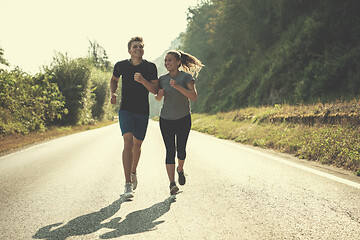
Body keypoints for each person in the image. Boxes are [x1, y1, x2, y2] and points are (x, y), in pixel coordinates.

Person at [110, 36, 159, 198]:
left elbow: (155, 90)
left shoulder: (150, 67)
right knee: (128, 142)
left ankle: (133, 171)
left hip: (142, 111)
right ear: (129, 50)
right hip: (126, 110)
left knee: (137, 145)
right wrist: (112, 92)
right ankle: (127, 184)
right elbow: (114, 80)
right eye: (135, 47)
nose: (138, 49)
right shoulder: (121, 66)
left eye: (141, 46)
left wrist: (142, 80)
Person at [155, 50, 203, 195]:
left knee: (181, 150)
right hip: (166, 119)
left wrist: (177, 87)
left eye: (170, 60)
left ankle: (180, 170)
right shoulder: (162, 79)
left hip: (183, 118)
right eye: (165, 60)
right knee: (170, 151)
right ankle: (171, 184)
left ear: (177, 62)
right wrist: (159, 95)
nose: (167, 63)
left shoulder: (186, 77)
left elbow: (193, 97)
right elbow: (157, 98)